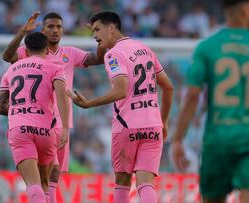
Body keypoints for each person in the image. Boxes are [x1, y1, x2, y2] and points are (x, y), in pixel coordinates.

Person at [171, 1, 249, 203]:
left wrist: (178, 138)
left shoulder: (207, 47)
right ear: (244, 9)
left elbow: (192, 95)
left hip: (217, 141)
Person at [68, 11, 173, 203]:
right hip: (152, 126)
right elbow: (169, 87)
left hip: (126, 125)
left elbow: (121, 90)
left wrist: (89, 103)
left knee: (122, 183)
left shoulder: (114, 54)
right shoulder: (146, 50)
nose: (94, 35)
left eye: (98, 30)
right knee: (145, 184)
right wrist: (163, 121)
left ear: (112, 28)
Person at [2, 11, 105, 203]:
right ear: (42, 29)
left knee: (54, 174)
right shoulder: (27, 51)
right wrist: (22, 32)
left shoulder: (70, 53)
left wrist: (98, 38)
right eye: (50, 26)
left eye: (59, 26)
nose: (55, 30)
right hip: (38, 120)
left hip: (61, 121)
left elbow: (98, 59)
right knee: (43, 175)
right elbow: (7, 56)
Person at [0, 32, 70, 203]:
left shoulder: (11, 70)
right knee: (45, 183)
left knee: (32, 184)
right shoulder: (55, 68)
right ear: (47, 50)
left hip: (20, 130)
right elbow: (61, 96)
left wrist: (20, 110)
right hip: (46, 131)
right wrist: (65, 127)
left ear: (26, 51)